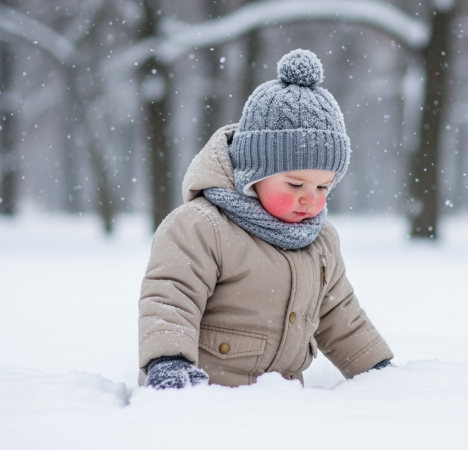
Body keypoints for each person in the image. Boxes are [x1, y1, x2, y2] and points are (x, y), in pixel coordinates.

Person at [138, 49, 393, 389]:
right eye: (295, 184)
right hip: (205, 398)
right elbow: (171, 297)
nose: (310, 198)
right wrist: (168, 362)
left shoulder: (321, 242)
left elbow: (340, 315)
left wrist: (377, 370)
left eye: (323, 187)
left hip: (279, 404)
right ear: (253, 173)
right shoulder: (201, 227)